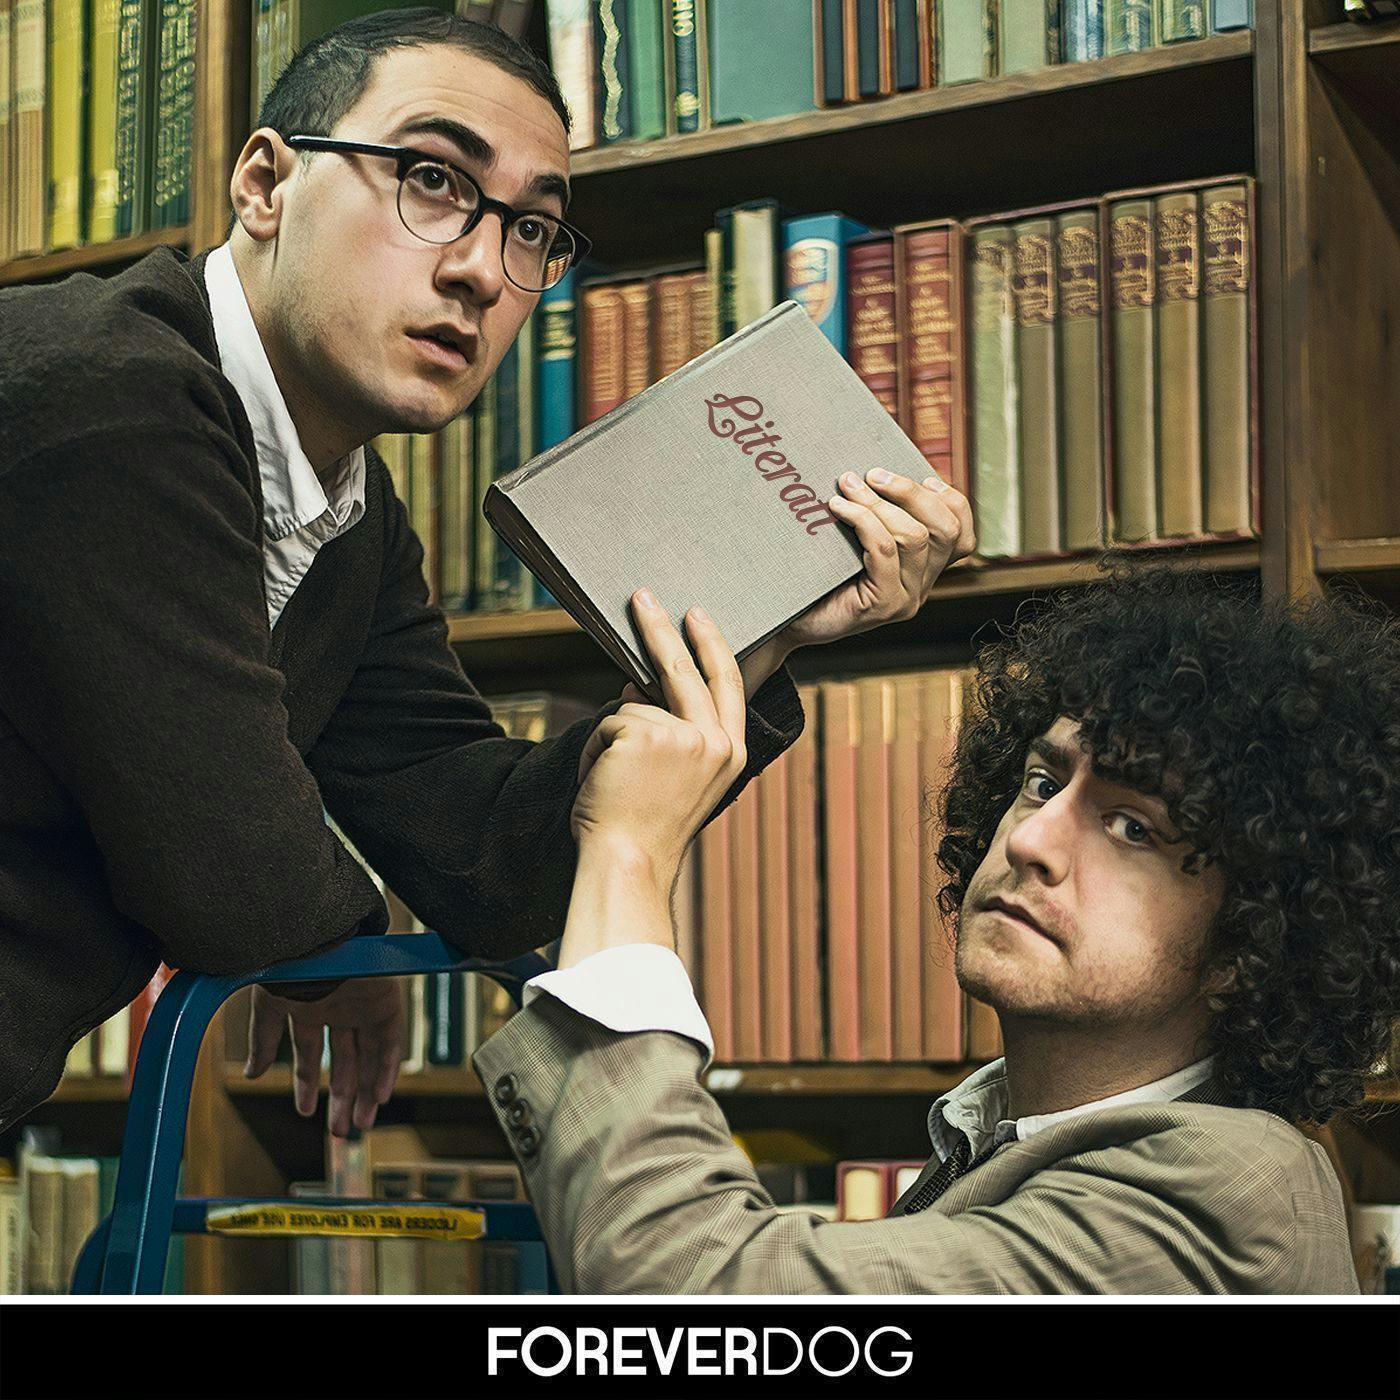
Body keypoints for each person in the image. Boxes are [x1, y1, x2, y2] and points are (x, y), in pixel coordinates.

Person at [0, 10, 974, 1136]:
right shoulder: (104, 396)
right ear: (265, 185)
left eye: (531, 230)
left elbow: (481, 856)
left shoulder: (349, 515)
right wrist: (338, 952)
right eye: (430, 180)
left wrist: (769, 628)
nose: (477, 270)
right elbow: (229, 866)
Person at [472, 565, 1400, 1293]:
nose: (1031, 839)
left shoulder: (1228, 1194)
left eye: (1131, 828)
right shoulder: (1004, 1132)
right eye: (1042, 783)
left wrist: (629, 850)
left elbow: (693, 1299)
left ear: (1251, 943)